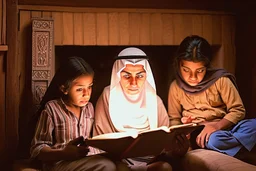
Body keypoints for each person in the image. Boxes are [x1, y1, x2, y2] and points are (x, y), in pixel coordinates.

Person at [93, 47, 190, 171]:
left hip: (151, 161)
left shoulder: (154, 100)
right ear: (118, 75)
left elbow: (165, 145)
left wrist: (178, 148)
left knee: (164, 168)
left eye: (139, 76)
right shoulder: (108, 96)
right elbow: (101, 141)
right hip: (119, 161)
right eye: (127, 76)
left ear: (146, 75)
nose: (134, 83)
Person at [168, 35, 256, 165]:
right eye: (186, 70)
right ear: (178, 64)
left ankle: (231, 147)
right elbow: (174, 120)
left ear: (207, 66)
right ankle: (244, 154)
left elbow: (238, 110)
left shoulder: (221, 80)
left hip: (227, 127)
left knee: (253, 125)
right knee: (214, 140)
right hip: (202, 134)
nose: (193, 77)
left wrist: (216, 125)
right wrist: (183, 128)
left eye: (200, 70)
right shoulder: (175, 87)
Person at [30, 56, 129, 171]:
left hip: (85, 160)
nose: (86, 94)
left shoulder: (89, 108)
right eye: (79, 89)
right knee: (106, 166)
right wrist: (63, 153)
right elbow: (37, 149)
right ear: (64, 89)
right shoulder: (52, 109)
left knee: (122, 166)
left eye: (90, 87)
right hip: (60, 163)